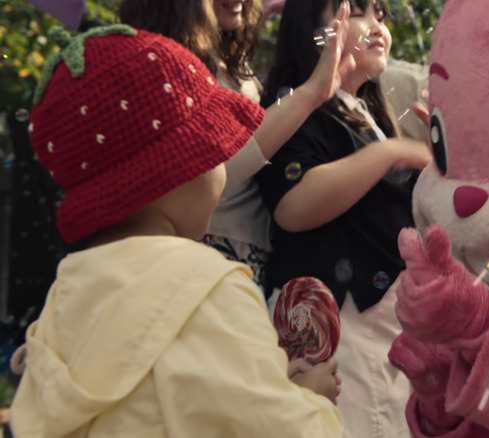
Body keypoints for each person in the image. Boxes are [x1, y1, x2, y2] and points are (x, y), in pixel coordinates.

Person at [10, 25, 342, 437]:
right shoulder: (207, 284)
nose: (223, 165)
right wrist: (312, 400)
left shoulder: (68, 291)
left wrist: (275, 382)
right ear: (182, 167)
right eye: (215, 148)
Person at [259, 0, 432, 436]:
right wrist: (390, 153)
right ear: (312, 29)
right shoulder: (292, 108)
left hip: (382, 332)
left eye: (381, 14)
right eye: (358, 12)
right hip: (337, 331)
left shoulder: (368, 115)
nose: (377, 26)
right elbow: (294, 206)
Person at [117, 0, 354, 287]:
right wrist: (313, 92)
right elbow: (210, 172)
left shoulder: (230, 64)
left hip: (248, 260)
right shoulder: (157, 65)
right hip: (203, 264)